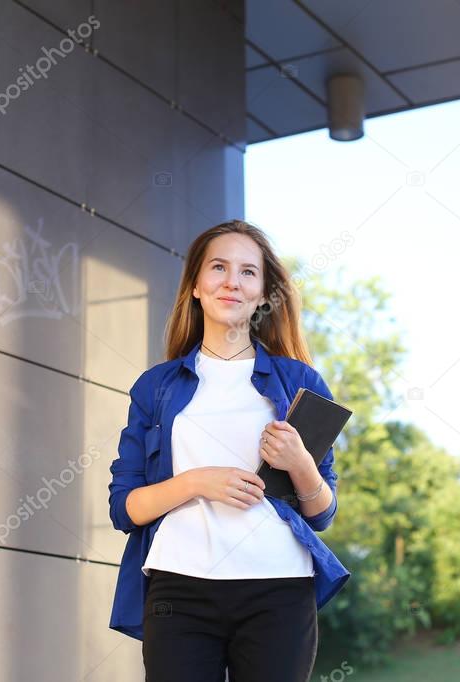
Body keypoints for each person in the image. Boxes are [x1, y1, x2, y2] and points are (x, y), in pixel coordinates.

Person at [106, 219, 351, 681]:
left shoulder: (299, 382)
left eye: (247, 272)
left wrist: (300, 463)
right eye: (218, 267)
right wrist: (198, 482)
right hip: (178, 588)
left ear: (262, 293)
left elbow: (322, 512)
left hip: (278, 589)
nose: (231, 282)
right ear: (196, 285)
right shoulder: (156, 387)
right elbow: (125, 508)